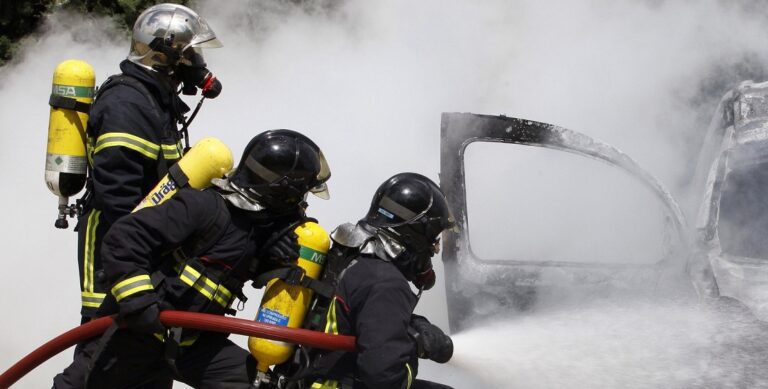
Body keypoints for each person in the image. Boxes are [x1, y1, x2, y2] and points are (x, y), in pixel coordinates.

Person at [54, 129, 331, 388]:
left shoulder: (257, 232)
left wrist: (274, 254)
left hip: (193, 344)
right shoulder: (203, 207)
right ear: (280, 192)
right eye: (299, 195)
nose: (301, 204)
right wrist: (139, 303)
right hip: (137, 334)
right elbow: (123, 238)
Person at [77, 3, 223, 320]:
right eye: (191, 54)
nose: (198, 64)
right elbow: (118, 193)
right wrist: (131, 261)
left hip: (140, 242)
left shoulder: (154, 100)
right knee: (101, 343)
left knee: (140, 353)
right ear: (164, 55)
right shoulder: (128, 104)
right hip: (115, 245)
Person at [300, 173, 456, 389]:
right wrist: (415, 346)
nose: (432, 249)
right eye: (432, 240)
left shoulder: (348, 252)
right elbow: (385, 379)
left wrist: (409, 325)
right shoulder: (386, 283)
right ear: (414, 234)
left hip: (310, 377)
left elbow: (359, 314)